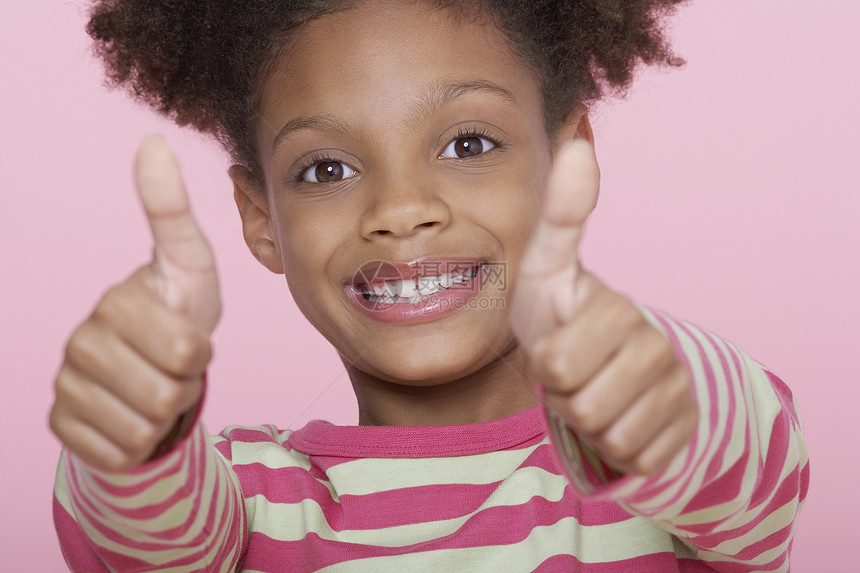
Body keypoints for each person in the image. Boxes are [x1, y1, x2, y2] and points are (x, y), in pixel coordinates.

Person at [49, 0, 809, 571]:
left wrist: (647, 386)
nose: (401, 209)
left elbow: (745, 454)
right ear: (260, 219)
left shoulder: (654, 477)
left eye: (468, 143)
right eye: (327, 169)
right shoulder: (249, 506)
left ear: (570, 158)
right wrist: (134, 434)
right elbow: (145, 541)